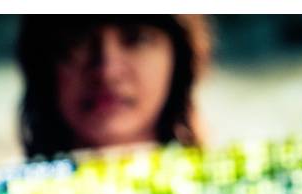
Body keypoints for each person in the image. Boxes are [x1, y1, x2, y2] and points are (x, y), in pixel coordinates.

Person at [16, 15, 212, 158]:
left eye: (137, 38)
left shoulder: (223, 191)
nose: (107, 72)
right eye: (77, 39)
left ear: (179, 59)